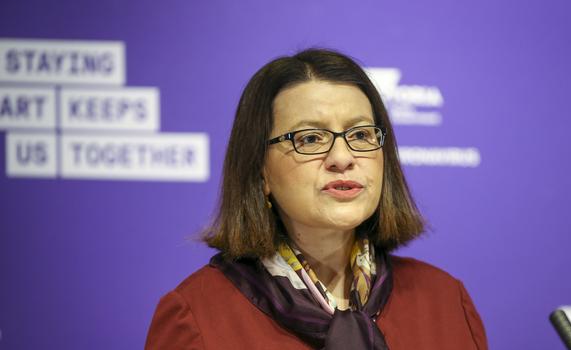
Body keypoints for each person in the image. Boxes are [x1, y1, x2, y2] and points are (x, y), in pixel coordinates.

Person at [145, 49, 488, 349]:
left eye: (361, 134)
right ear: (261, 170)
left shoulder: (445, 300)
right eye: (310, 138)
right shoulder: (195, 316)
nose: (342, 156)